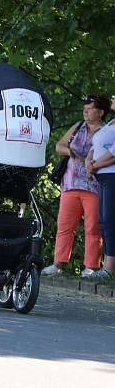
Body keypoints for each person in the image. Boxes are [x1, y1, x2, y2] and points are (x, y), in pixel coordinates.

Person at [42, 94, 107, 277]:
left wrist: (84, 156)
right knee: (64, 226)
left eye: (91, 108)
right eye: (85, 107)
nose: (86, 111)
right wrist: (74, 153)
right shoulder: (78, 127)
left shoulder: (106, 131)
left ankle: (91, 267)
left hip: (94, 186)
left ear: (101, 112)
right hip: (70, 184)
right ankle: (58, 264)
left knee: (93, 229)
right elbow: (59, 146)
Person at [87, 93, 115, 279]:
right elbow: (94, 146)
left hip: (112, 176)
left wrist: (94, 165)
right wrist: (90, 160)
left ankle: (108, 269)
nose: (112, 97)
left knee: (109, 221)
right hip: (103, 178)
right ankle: (107, 268)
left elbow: (113, 154)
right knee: (105, 221)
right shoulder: (111, 123)